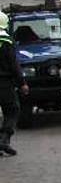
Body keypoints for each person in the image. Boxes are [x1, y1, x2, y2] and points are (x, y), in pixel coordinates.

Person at [0, 10, 29, 155]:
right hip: (4, 83)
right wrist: (22, 83)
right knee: (12, 110)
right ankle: (4, 140)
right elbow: (14, 65)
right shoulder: (7, 42)